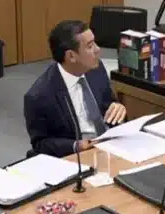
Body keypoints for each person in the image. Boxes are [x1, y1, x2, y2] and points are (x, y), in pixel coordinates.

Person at [24, 20, 127, 157]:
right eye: (90, 46)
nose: (98, 49)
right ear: (71, 56)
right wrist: (76, 145)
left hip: (110, 146)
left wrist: (118, 107)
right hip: (78, 156)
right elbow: (40, 144)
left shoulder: (95, 69)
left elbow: (109, 103)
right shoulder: (39, 96)